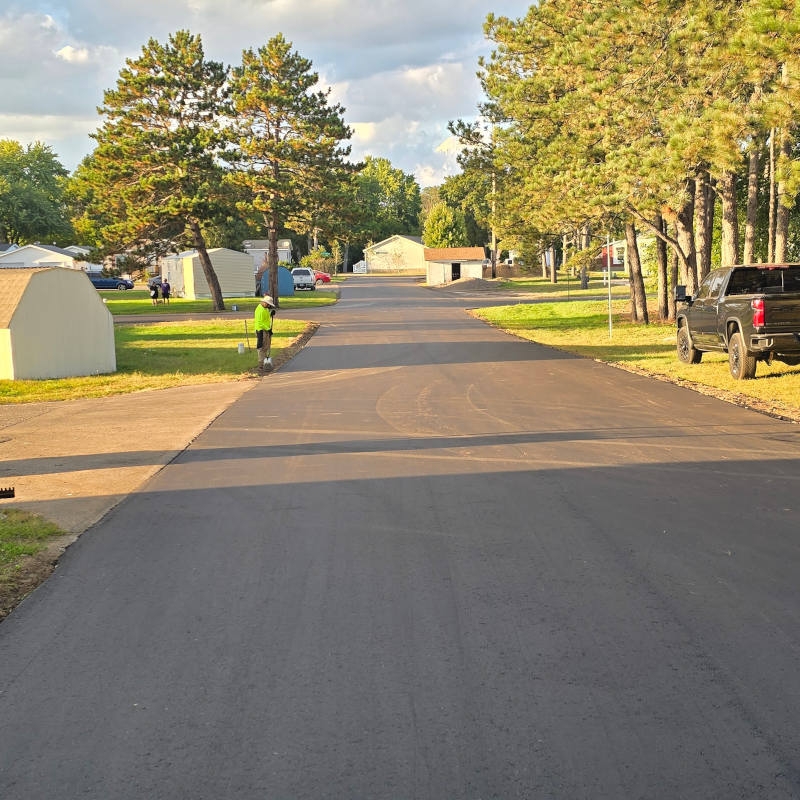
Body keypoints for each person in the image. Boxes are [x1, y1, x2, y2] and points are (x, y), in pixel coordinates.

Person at [254, 294, 276, 371]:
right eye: (268, 304)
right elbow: (260, 322)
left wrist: (270, 314)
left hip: (266, 329)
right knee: (261, 347)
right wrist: (268, 329)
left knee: (266, 346)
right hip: (261, 330)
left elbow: (265, 319)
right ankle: (261, 364)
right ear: (264, 303)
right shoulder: (259, 310)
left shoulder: (265, 309)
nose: (269, 306)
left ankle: (266, 362)